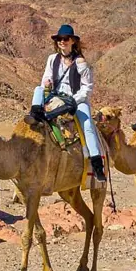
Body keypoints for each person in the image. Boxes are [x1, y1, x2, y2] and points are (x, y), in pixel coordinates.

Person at [28, 24, 106, 182]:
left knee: (87, 126)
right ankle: (35, 113)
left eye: (65, 39)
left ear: (72, 41)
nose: (62, 42)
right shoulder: (52, 59)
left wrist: (73, 100)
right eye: (59, 39)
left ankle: (97, 165)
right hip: (56, 95)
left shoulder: (81, 62)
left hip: (76, 99)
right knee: (37, 89)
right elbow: (45, 78)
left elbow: (87, 88)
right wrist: (47, 83)